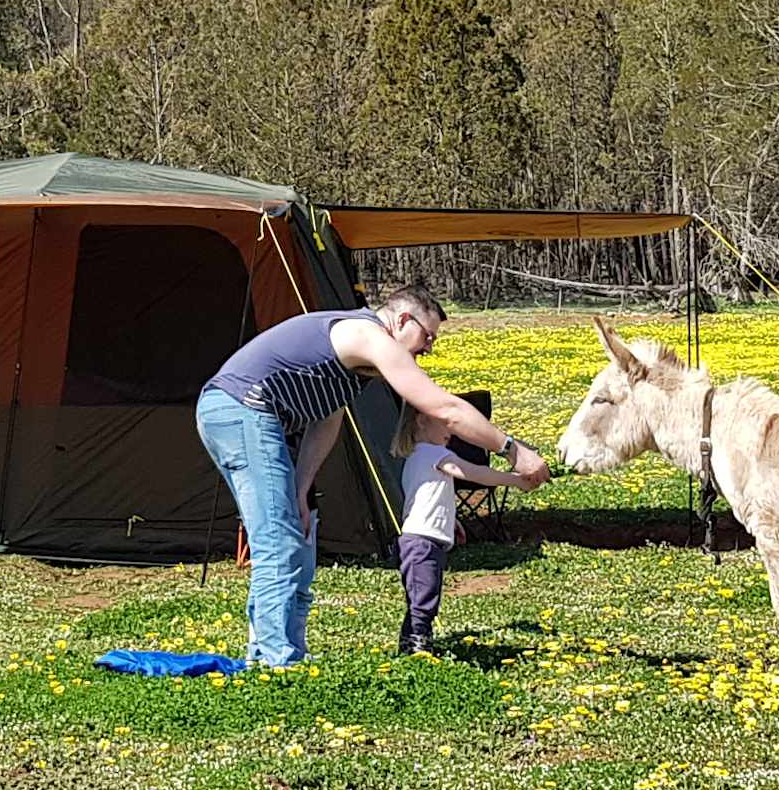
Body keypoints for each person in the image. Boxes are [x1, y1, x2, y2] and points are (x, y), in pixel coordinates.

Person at [194, 287, 544, 669]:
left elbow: (327, 420)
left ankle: (281, 652)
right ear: (402, 320)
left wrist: (301, 488)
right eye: (427, 336)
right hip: (241, 408)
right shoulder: (369, 335)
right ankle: (277, 663)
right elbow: (445, 408)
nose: (429, 349)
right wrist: (512, 449)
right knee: (278, 540)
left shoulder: (352, 365)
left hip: (248, 417)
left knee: (298, 533)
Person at [391, 403, 538, 655]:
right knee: (423, 597)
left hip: (421, 540)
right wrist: (514, 480)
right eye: (443, 422)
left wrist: (451, 521)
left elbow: (427, 497)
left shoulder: (416, 457)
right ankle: (417, 646)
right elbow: (471, 472)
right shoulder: (433, 453)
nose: (451, 430)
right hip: (421, 542)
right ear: (421, 420)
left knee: (423, 594)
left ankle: (413, 642)